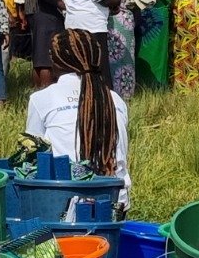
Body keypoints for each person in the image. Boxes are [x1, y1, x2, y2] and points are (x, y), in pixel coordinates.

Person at [25, 30, 130, 205]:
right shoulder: (115, 99)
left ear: (56, 61)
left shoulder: (42, 99)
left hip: (62, 202)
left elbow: (32, 155)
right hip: (116, 201)